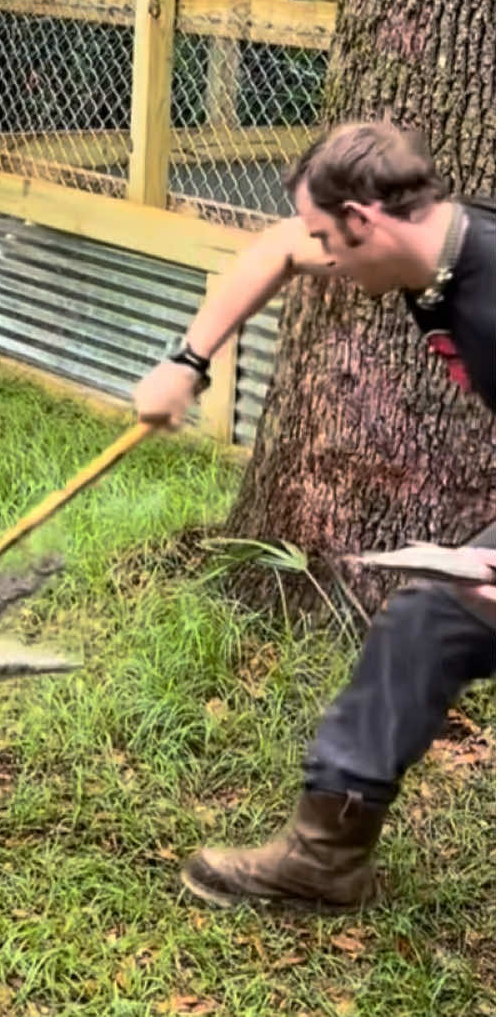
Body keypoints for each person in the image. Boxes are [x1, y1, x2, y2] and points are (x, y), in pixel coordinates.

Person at [132, 120, 495, 909]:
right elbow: (276, 248)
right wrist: (186, 362)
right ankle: (326, 856)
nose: (322, 254)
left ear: (366, 220)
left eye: (331, 235)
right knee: (430, 616)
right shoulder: (435, 249)